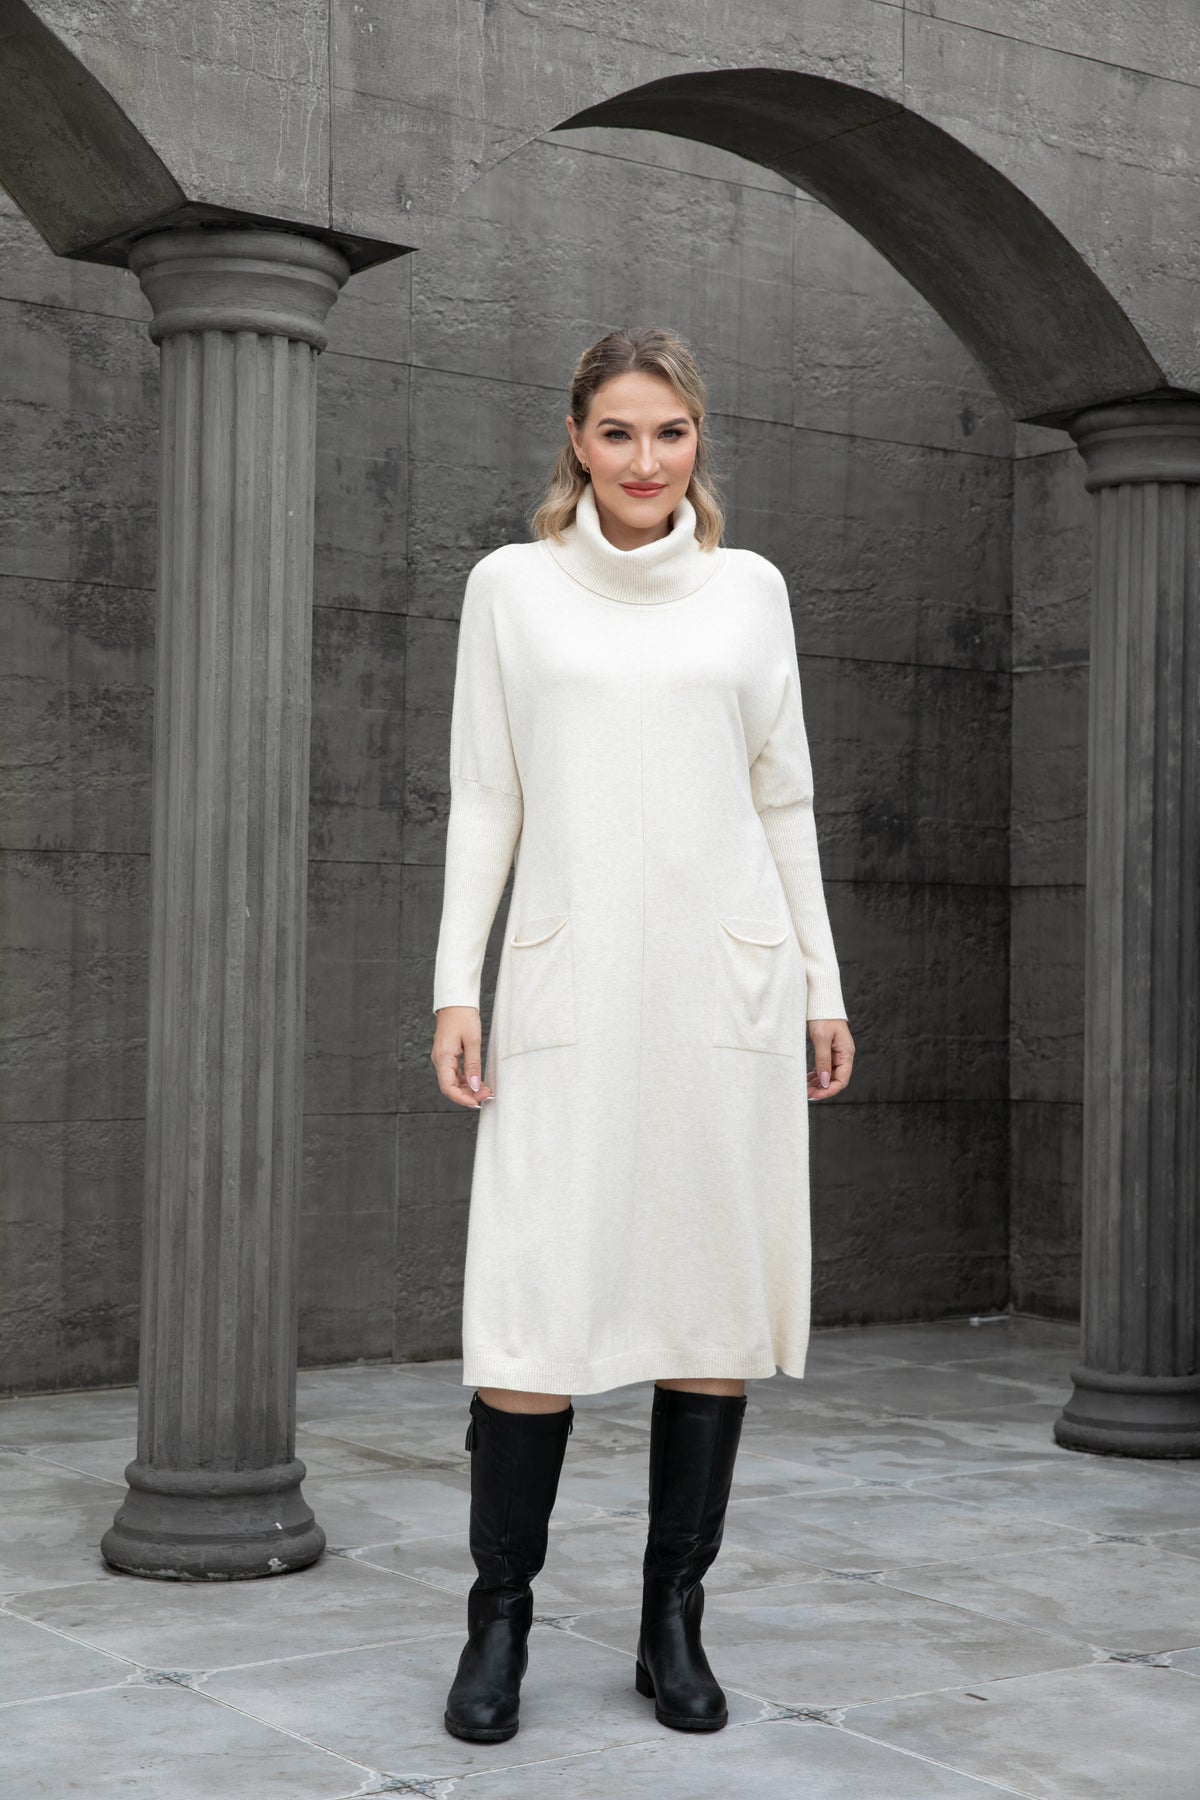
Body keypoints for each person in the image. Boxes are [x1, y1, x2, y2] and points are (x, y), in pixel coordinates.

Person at [429, 325, 855, 1743]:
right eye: (618, 431)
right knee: (531, 1301)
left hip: (724, 989)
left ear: (698, 441)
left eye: (669, 432)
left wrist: (822, 986)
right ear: (576, 438)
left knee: (706, 1299)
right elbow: (488, 795)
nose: (644, 459)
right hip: (570, 981)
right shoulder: (512, 589)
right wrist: (457, 984)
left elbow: (783, 798)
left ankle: (673, 1620)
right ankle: (499, 1618)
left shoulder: (750, 591)